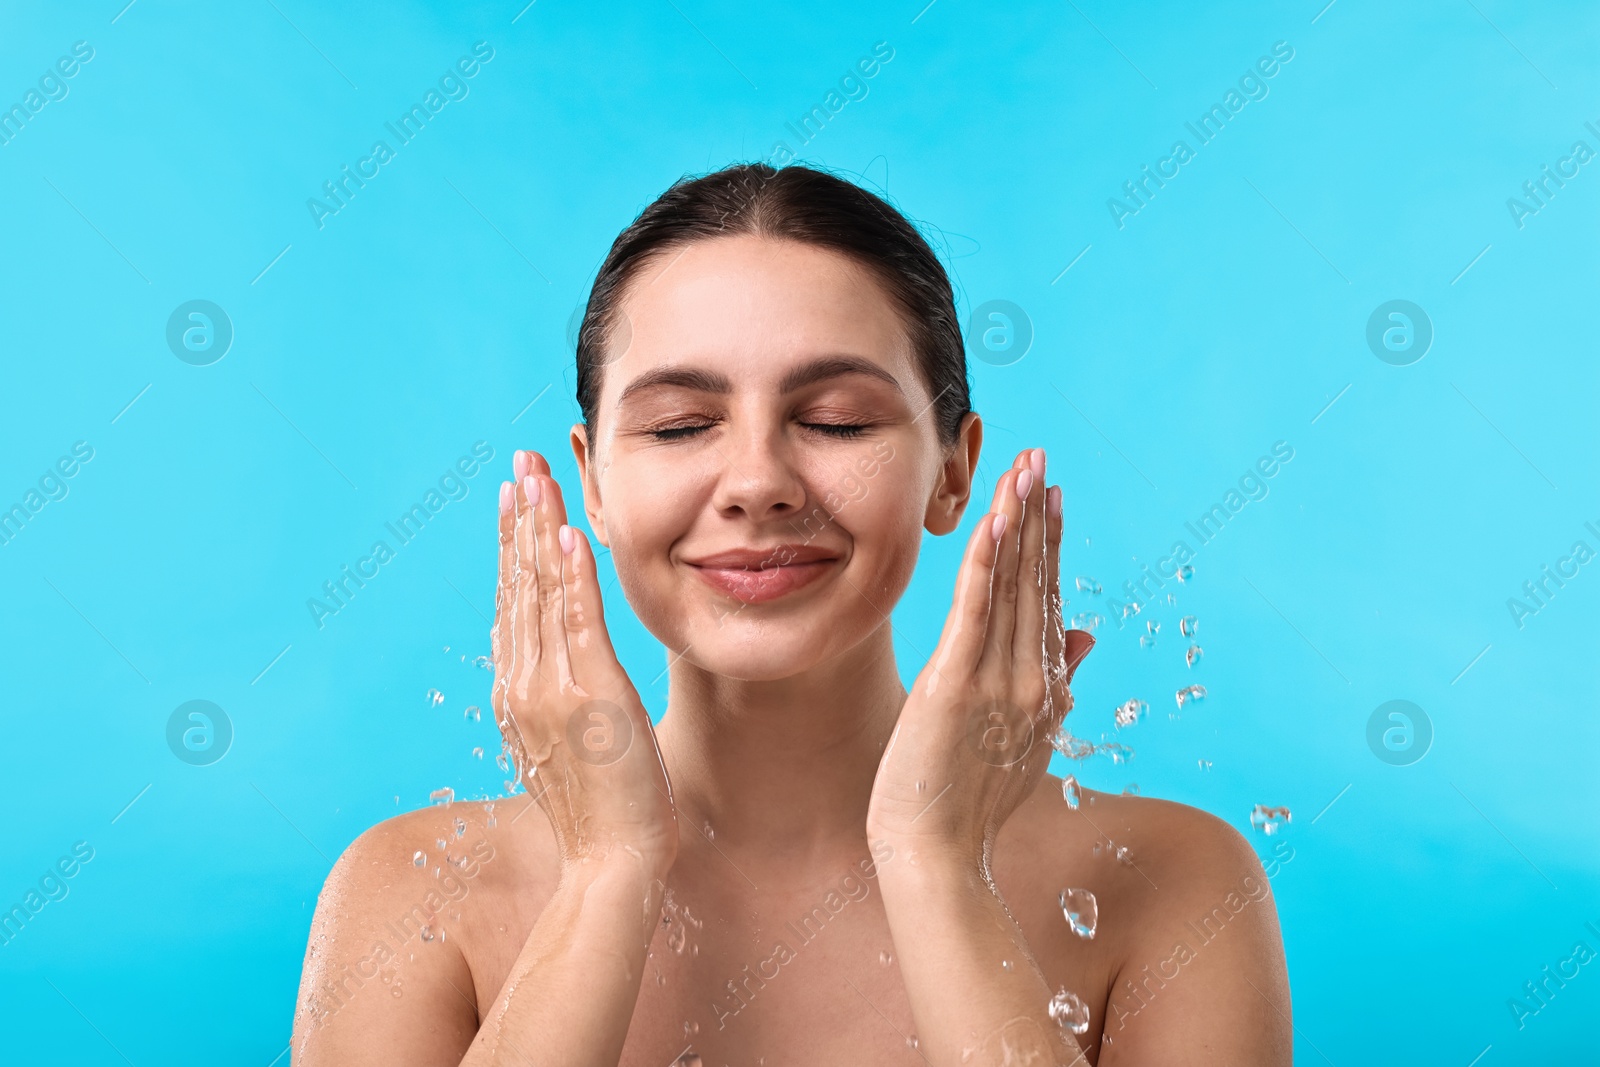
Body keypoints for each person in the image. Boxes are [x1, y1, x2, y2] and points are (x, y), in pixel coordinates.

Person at [290, 162, 1292, 1065]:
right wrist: (608, 871)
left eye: (835, 420)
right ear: (591, 481)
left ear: (953, 470)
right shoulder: (412, 897)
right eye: (681, 424)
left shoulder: (1174, 882)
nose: (757, 481)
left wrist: (934, 862)